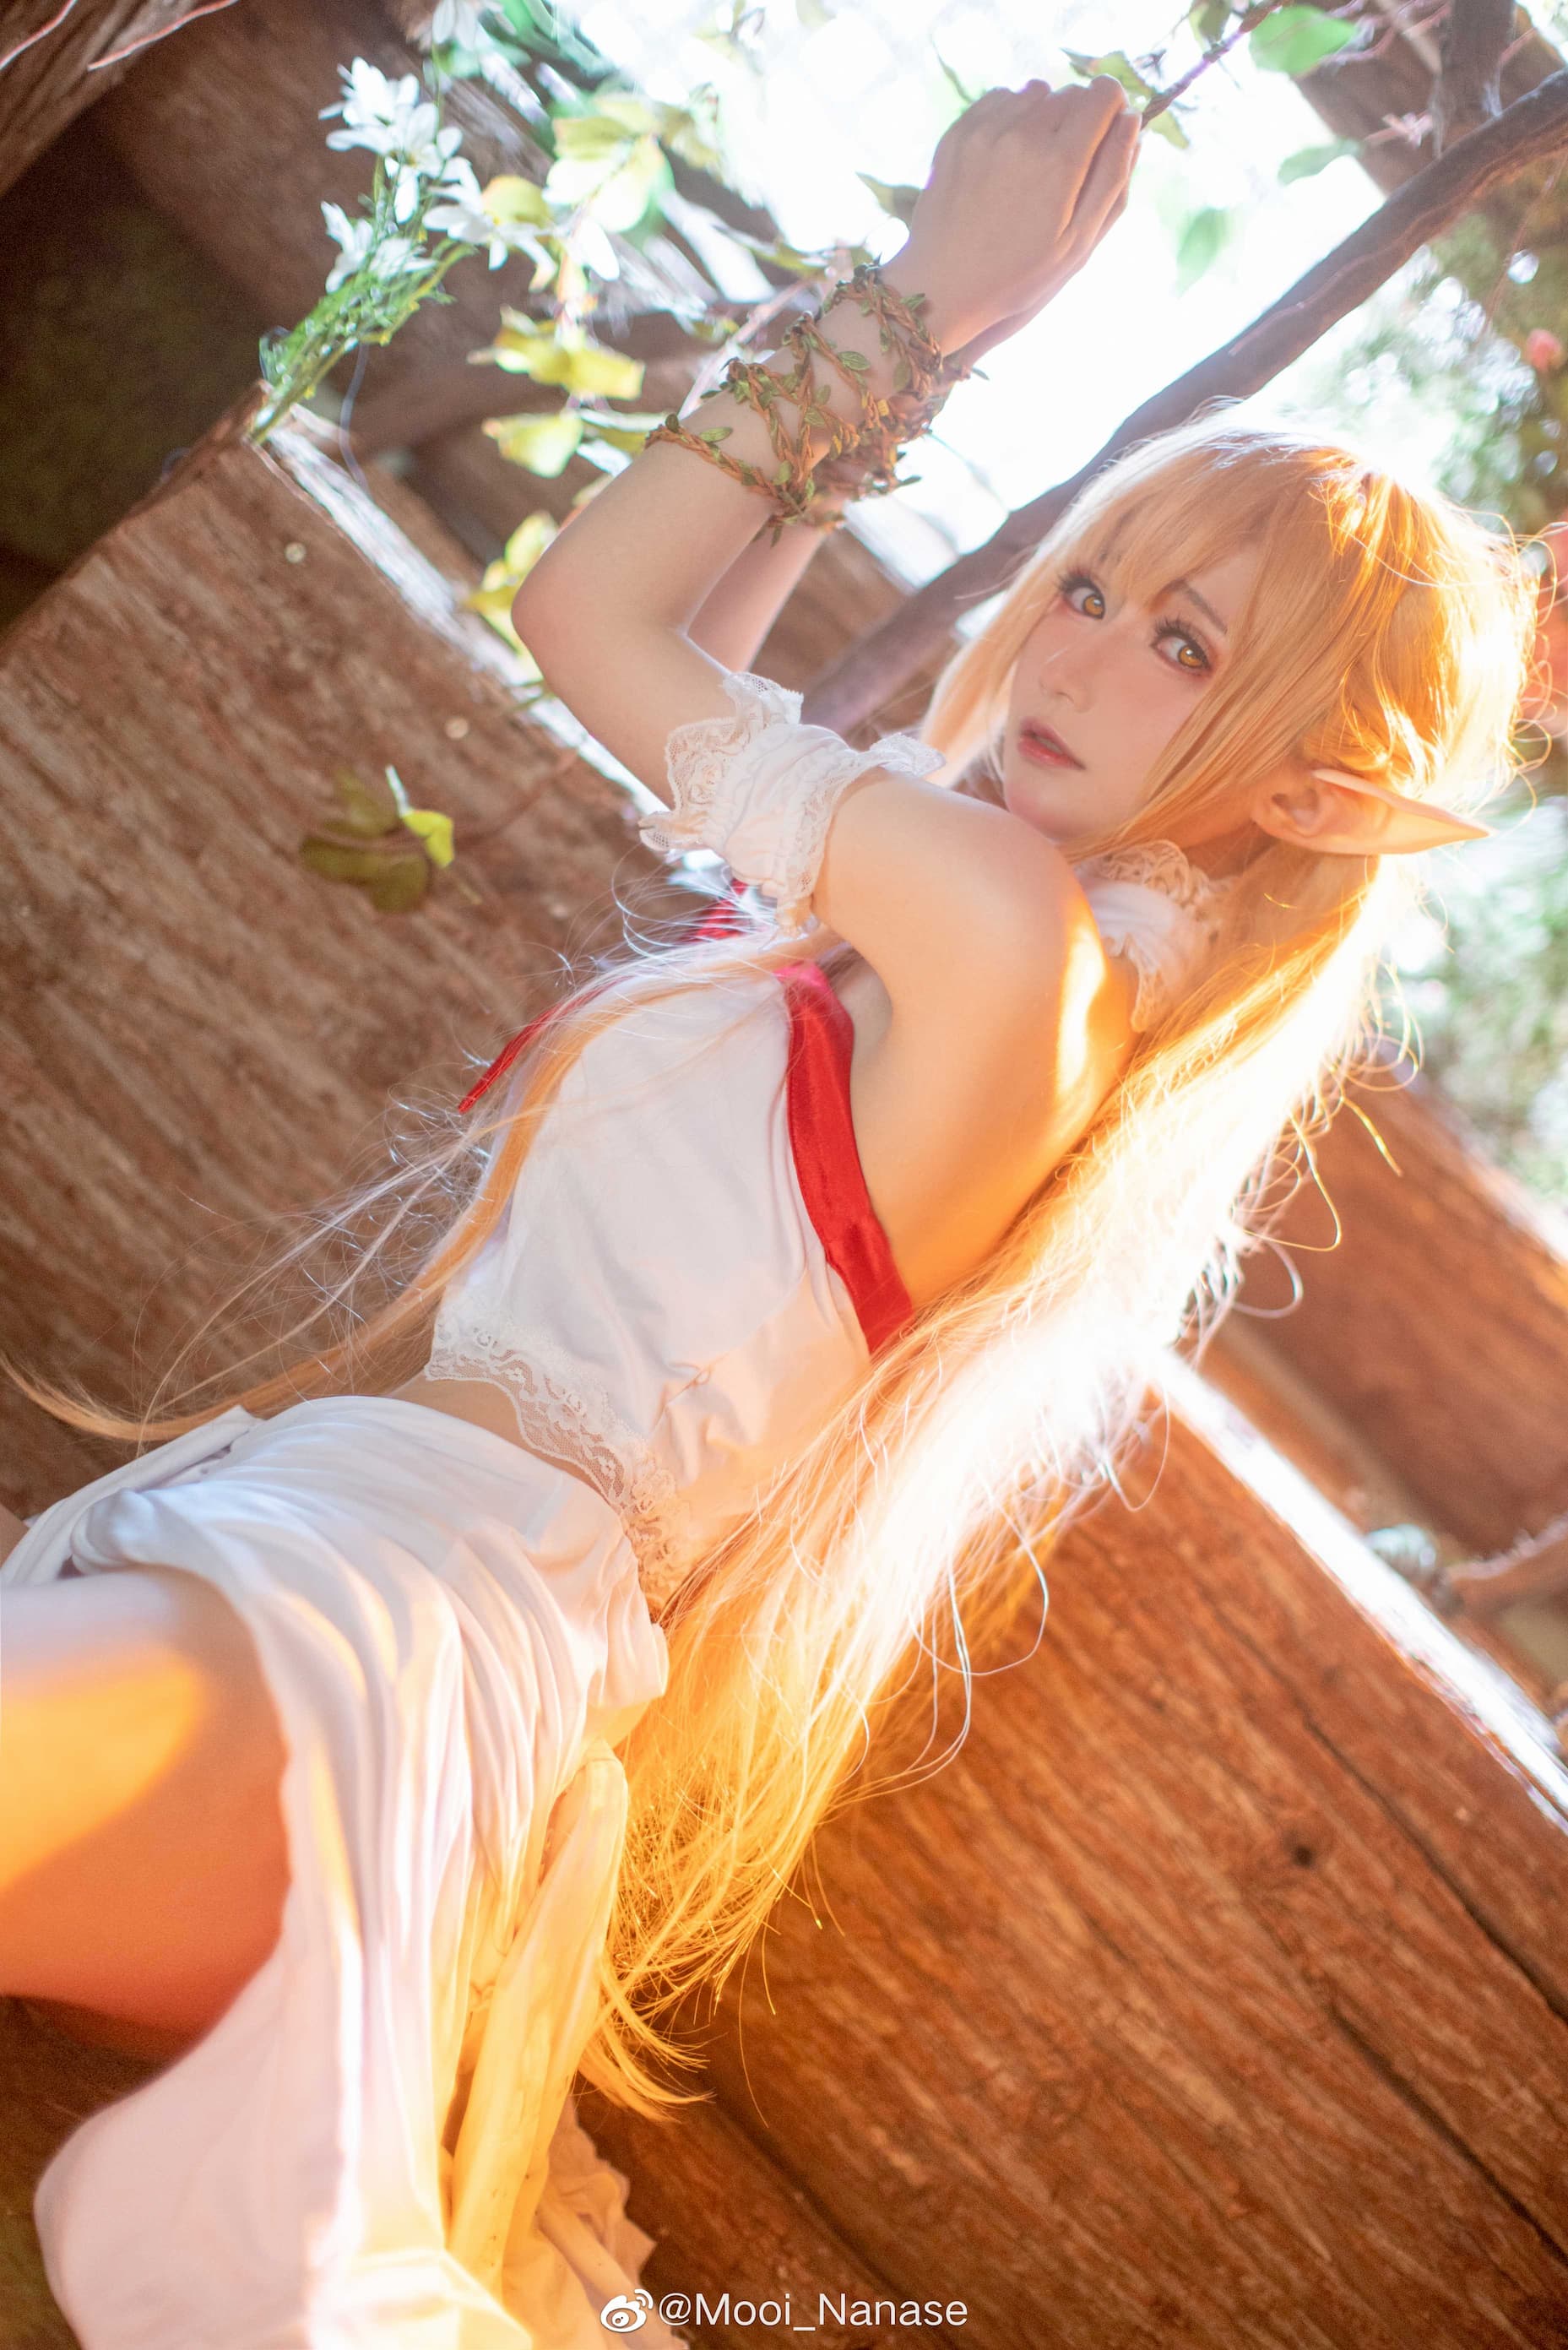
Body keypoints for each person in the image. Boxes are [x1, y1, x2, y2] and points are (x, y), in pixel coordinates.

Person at [0, 76, 1541, 2349]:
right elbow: (682, 657)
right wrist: (915, 357)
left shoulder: (1008, 945)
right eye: (1091, 583)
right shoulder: (944, 933)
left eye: (1184, 650)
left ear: (1311, 798)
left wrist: (927, 297)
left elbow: (590, 614)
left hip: (382, 1656)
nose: (1073, 657)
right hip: (334, 1580)